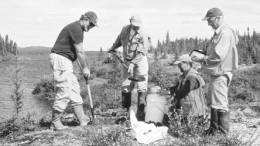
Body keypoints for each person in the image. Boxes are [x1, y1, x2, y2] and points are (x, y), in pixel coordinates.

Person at [191, 7, 238, 135]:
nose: (208, 23)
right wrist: (204, 54)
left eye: (210, 20)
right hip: (218, 71)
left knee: (220, 103)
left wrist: (203, 58)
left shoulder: (224, 33)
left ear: (218, 18)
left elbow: (219, 55)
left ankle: (221, 134)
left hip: (221, 72)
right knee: (216, 101)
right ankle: (214, 130)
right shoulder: (221, 32)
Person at [49, 11, 98, 130]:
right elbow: (80, 52)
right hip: (61, 60)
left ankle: (82, 118)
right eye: (91, 24)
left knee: (74, 89)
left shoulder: (77, 29)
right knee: (65, 90)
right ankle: (55, 122)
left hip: (66, 61)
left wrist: (82, 68)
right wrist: (85, 68)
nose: (91, 27)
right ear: (85, 19)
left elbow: (77, 53)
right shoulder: (76, 28)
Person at [107, 15, 150, 121]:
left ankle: (141, 114)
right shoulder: (124, 29)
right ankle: (125, 114)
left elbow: (142, 52)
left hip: (140, 61)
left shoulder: (143, 33)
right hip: (127, 60)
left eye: (138, 26)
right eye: (134, 26)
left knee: (141, 85)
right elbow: (119, 40)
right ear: (130, 23)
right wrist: (112, 48)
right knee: (125, 86)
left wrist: (132, 64)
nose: (136, 28)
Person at [170, 54, 207, 123]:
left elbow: (183, 92)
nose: (178, 66)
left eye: (180, 64)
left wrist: (170, 93)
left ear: (188, 63)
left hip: (195, 114)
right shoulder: (184, 75)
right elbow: (176, 88)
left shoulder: (192, 77)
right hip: (188, 112)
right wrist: (167, 90)